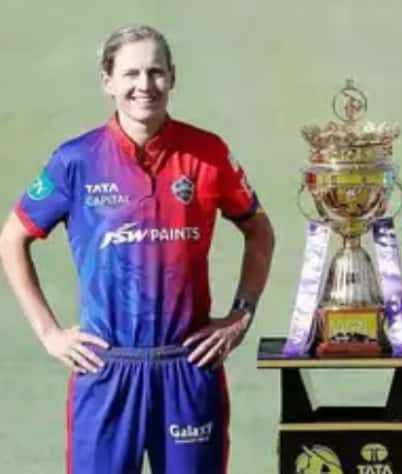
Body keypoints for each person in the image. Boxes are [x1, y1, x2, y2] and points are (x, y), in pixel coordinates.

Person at [0, 24, 274, 474]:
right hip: (106, 368)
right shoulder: (77, 160)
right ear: (108, 81)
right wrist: (49, 333)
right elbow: (13, 237)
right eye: (130, 73)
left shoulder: (208, 153)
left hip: (186, 366)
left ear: (172, 77)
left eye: (155, 72)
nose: (144, 85)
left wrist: (240, 315)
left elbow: (259, 230)